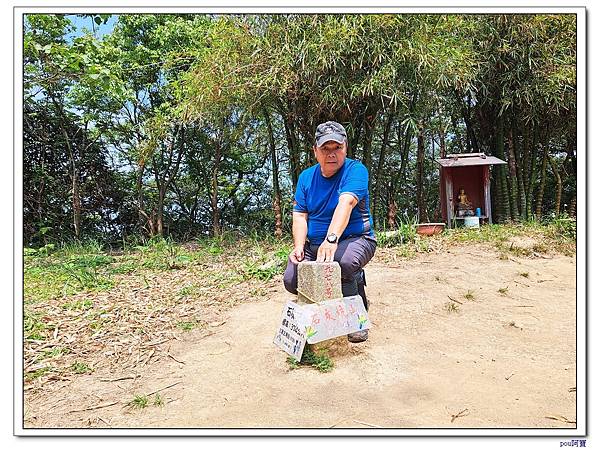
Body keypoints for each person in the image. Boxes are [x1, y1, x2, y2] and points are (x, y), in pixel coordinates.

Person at [283, 120, 377, 343]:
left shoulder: (356, 170)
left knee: (341, 264)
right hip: (316, 244)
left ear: (346, 148)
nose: (332, 154)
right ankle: (317, 319)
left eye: (338, 148)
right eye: (326, 148)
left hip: (357, 240)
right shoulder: (306, 177)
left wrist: (331, 239)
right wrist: (298, 246)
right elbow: (300, 215)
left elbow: (346, 203)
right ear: (315, 151)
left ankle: (356, 315)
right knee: (291, 279)